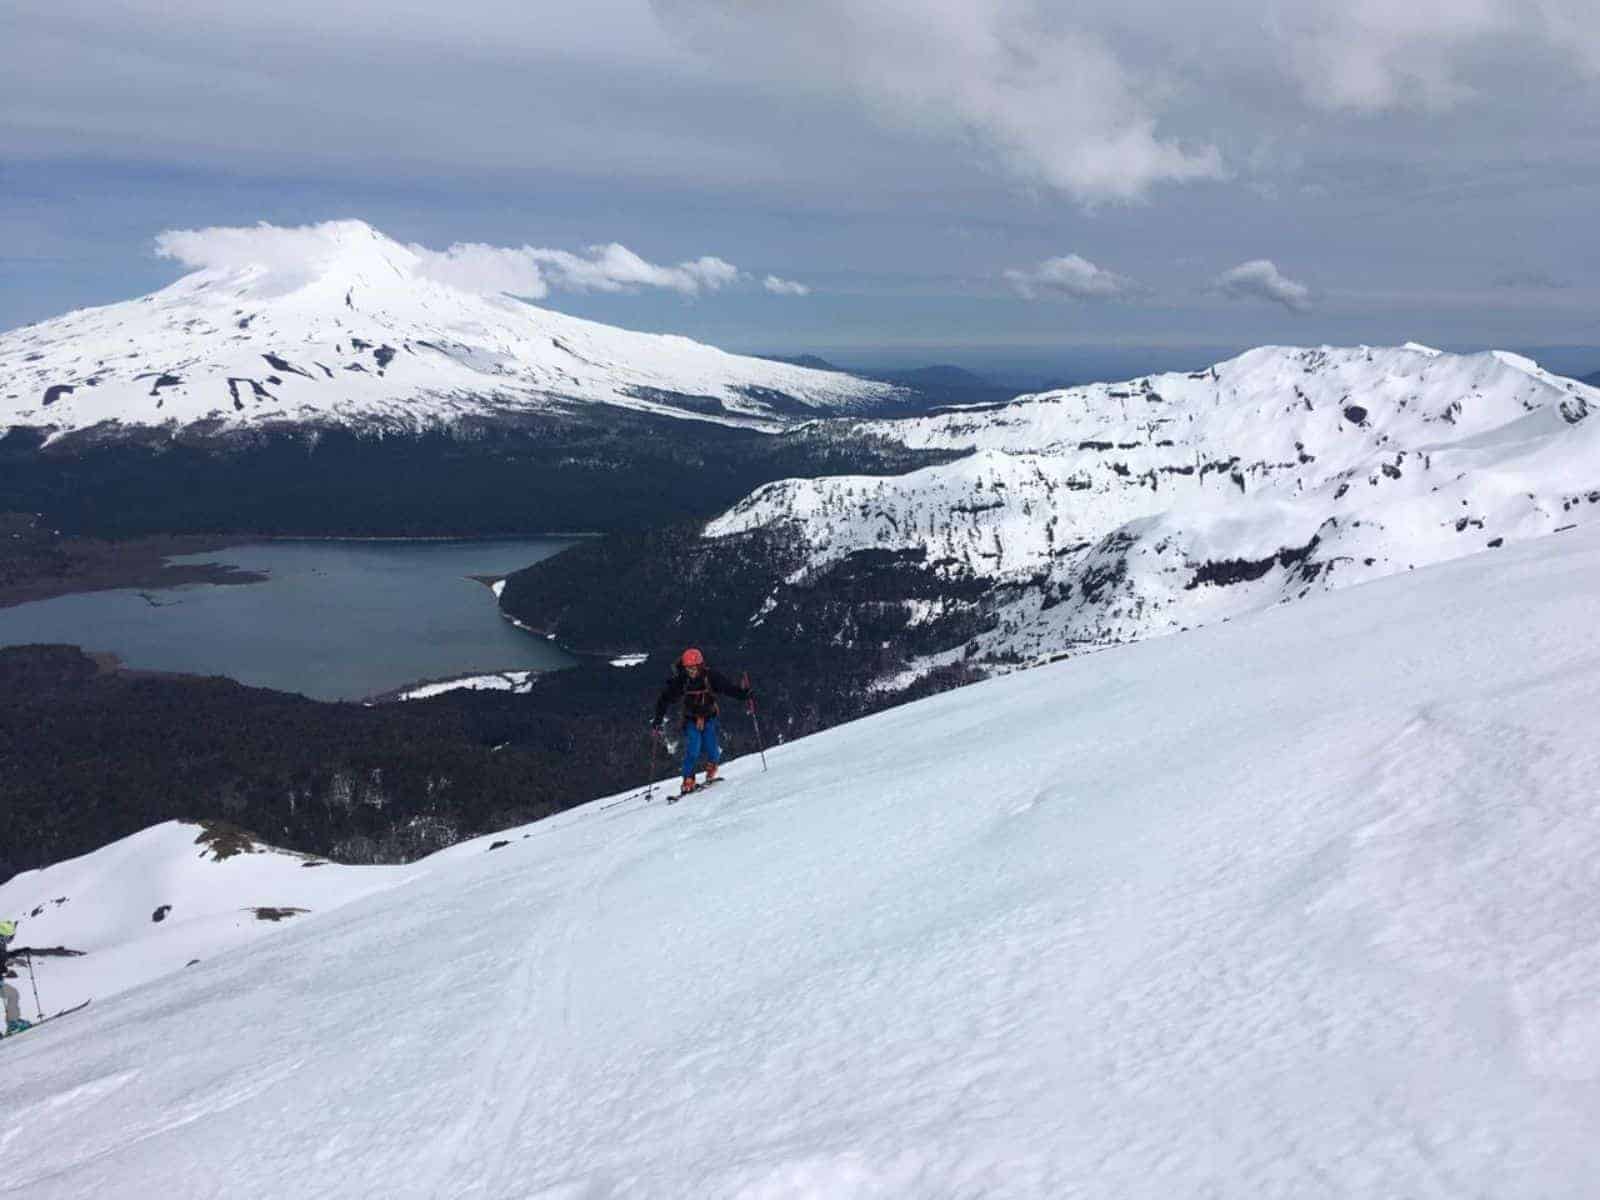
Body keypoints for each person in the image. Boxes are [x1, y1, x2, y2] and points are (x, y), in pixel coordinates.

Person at [651, 647, 751, 797]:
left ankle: (711, 768)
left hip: (709, 717)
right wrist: (658, 720)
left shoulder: (710, 677)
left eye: (694, 668)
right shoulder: (682, 681)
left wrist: (743, 695)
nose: (691, 671)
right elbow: (664, 699)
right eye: (688, 668)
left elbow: (727, 688)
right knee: (693, 748)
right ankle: (688, 779)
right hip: (691, 720)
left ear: (700, 666)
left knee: (713, 750)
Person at [0, 919, 28, 1037]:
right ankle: (13, 1023)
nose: (10, 940)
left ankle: (13, 1022)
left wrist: (16, 955)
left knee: (12, 994)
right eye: (9, 937)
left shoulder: (1, 945)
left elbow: (4, 957)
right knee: (12, 994)